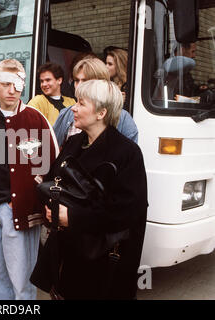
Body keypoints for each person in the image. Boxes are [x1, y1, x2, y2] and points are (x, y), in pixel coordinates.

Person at [36, 79, 147, 299]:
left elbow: (128, 212)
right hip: (71, 255)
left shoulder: (127, 152)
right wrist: (51, 208)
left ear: (101, 113)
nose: (73, 109)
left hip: (104, 261)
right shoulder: (73, 143)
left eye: (81, 103)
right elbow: (52, 181)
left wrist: (74, 216)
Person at [0, 59, 59, 300]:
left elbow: (50, 165)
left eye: (17, 84)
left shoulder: (35, 119)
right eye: (6, 84)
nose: (12, 90)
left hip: (16, 208)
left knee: (21, 277)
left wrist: (25, 197)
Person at [53, 58, 138, 147]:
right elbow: (48, 152)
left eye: (86, 81)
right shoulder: (65, 114)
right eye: (77, 80)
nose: (79, 85)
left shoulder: (124, 119)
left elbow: (128, 156)